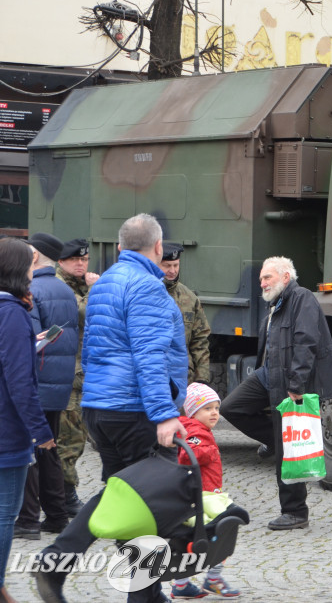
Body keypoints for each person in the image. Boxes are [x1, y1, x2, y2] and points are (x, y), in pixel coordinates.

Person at [35, 213, 188, 603]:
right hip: (135, 409)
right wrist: (165, 414)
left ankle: (146, 595)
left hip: (100, 406)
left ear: (119, 248)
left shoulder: (103, 286)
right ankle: (57, 560)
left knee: (125, 499)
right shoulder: (148, 289)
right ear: (157, 248)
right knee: (147, 501)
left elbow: (96, 349)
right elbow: (149, 356)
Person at [220, 256, 332, 531]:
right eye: (261, 278)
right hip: (268, 375)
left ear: (285, 277)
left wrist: (297, 384)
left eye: (267, 278)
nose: (262, 283)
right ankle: (274, 440)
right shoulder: (276, 304)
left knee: (291, 448)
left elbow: (306, 342)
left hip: (290, 381)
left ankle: (295, 512)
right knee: (231, 408)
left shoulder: (302, 299)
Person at [0, 239, 56, 603]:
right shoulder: (12, 312)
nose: (34, 274)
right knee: (6, 515)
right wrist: (41, 433)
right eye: (31, 267)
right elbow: (19, 382)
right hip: (7, 434)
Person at [13, 234, 78, 541]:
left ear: (35, 257)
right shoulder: (65, 290)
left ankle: (26, 519)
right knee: (49, 448)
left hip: (37, 383)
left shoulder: (31, 291)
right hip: (59, 384)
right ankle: (56, 514)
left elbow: (31, 340)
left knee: (28, 450)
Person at [169, 383, 240, 599]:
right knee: (224, 532)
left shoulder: (193, 428)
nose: (214, 413)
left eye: (216, 408)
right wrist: (209, 451)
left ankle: (181, 585)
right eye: (207, 408)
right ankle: (213, 579)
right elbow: (187, 454)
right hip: (205, 497)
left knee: (192, 540)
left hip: (203, 495)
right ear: (193, 411)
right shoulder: (196, 432)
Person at [54, 238, 96, 517]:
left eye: (84, 259)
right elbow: (83, 312)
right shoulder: (61, 287)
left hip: (83, 374)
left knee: (78, 436)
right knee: (68, 439)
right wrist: (97, 289)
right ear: (61, 262)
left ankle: (62, 495)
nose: (80, 264)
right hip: (67, 376)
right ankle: (65, 497)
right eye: (74, 260)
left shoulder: (79, 285)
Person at [159, 242, 212, 385]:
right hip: (156, 373)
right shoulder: (147, 293)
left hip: (183, 377)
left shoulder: (190, 298)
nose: (172, 270)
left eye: (176, 265)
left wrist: (202, 379)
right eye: (167, 266)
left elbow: (200, 340)